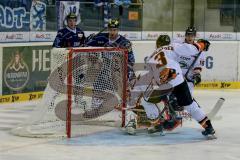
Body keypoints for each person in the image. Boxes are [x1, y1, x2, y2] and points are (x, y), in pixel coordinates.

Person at [127, 35, 215, 137]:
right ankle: (209, 128)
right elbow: (190, 49)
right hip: (177, 78)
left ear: (157, 44)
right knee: (189, 104)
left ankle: (157, 126)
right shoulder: (174, 46)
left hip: (162, 82)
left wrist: (136, 91)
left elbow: (144, 78)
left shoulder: (151, 56)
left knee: (146, 101)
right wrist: (201, 44)